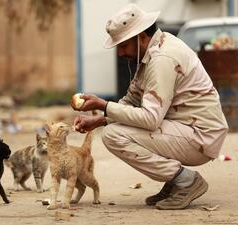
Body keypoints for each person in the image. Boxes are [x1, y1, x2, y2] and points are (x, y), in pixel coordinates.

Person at [72, 4, 228, 210]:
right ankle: (176, 182)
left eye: (123, 46)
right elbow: (132, 101)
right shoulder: (153, 51)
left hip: (201, 136)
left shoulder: (162, 58)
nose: (120, 53)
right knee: (112, 129)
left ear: (141, 37)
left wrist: (104, 105)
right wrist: (99, 119)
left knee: (113, 135)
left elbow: (150, 119)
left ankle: (185, 181)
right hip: (187, 128)